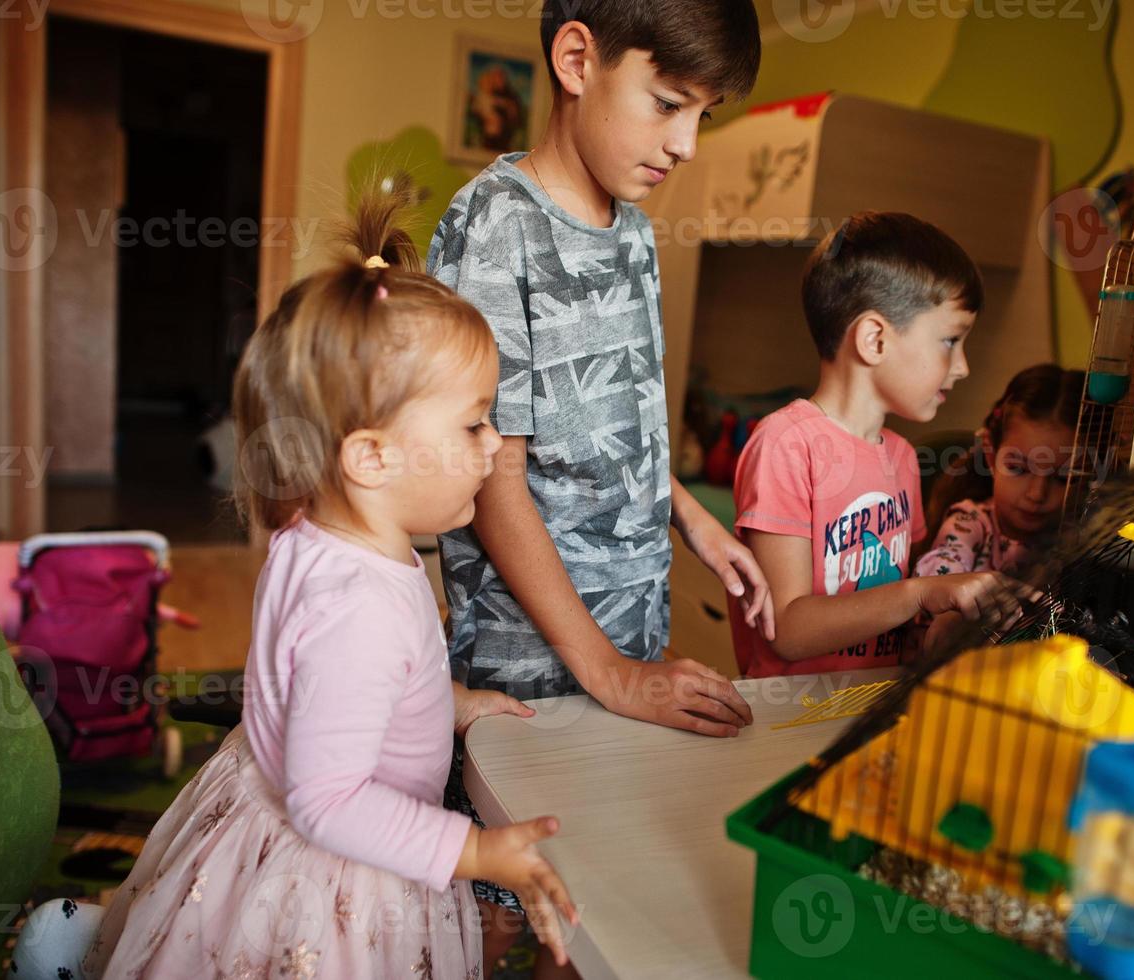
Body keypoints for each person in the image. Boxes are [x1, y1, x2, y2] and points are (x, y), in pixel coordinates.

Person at [84, 186, 576, 980]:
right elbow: (329, 802)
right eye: (472, 423)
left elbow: (343, 690)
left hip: (264, 802)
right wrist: (473, 849)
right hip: (327, 873)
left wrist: (448, 705)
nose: (493, 447)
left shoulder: (322, 536)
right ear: (371, 457)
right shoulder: (360, 605)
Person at [427, 1, 768, 972]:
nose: (687, 143)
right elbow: (497, 481)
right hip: (528, 660)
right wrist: (608, 672)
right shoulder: (497, 227)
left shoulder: (631, 230)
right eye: (668, 104)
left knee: (591, 887)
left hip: (629, 627)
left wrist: (695, 520)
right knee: (507, 895)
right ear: (577, 57)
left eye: (703, 114)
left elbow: (614, 419)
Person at [729, 211, 1022, 679]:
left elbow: (893, 618)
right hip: (783, 718)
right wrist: (921, 594)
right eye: (950, 340)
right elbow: (786, 629)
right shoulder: (786, 445)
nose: (962, 366)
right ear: (874, 339)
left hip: (865, 703)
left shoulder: (903, 458)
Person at [916, 363, 1083, 578]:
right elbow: (939, 577)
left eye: (1064, 478)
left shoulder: (1079, 533)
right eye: (1018, 469)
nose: (1037, 494)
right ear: (991, 455)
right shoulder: (970, 524)